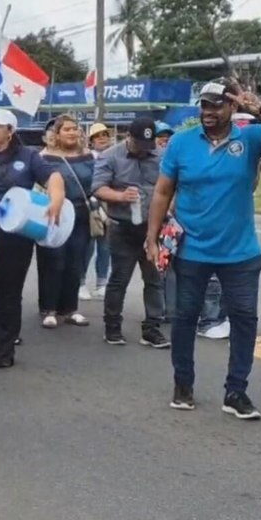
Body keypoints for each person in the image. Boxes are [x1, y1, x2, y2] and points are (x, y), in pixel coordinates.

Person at [146, 78, 261, 419]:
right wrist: (151, 238)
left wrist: (258, 109)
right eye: (204, 105)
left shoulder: (250, 138)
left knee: (244, 321)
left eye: (215, 105)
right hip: (191, 252)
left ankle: (236, 392)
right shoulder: (181, 143)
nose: (207, 111)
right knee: (184, 319)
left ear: (232, 107)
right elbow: (162, 192)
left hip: (240, 254)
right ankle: (183, 385)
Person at [0, 109, 63, 374]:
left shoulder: (28, 157)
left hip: (17, 238)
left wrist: (56, 199)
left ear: (10, 131)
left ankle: (3, 352)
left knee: (9, 295)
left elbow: (54, 177)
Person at [91, 116, 167, 347]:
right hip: (122, 227)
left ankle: (152, 329)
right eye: (138, 146)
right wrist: (120, 196)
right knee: (119, 279)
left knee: (154, 280)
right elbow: (98, 188)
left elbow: (173, 186)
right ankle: (112, 327)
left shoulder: (162, 156)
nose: (144, 151)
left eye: (148, 146)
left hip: (153, 227)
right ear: (128, 138)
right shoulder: (110, 156)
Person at [38, 115, 96, 329]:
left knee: (75, 261)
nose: (72, 132)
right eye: (67, 129)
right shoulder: (44, 157)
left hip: (80, 215)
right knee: (53, 261)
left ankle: (70, 309)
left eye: (75, 129)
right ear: (57, 134)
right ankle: (49, 309)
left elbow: (96, 182)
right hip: (53, 214)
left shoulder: (88, 156)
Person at [80, 122, 113, 301]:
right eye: (97, 136)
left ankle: (101, 283)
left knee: (105, 245)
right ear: (91, 141)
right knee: (88, 245)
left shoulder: (114, 156)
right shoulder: (86, 157)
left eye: (104, 135)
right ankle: (81, 282)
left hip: (109, 205)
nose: (102, 138)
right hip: (90, 204)